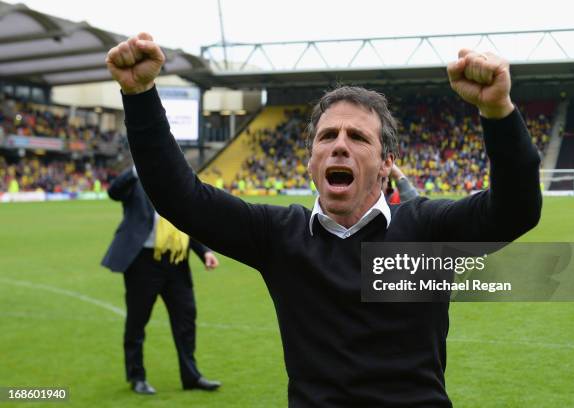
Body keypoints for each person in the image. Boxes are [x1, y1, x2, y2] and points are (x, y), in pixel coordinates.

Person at [106, 33, 541, 407]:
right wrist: (140, 96)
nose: (339, 145)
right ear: (311, 162)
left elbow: (515, 210)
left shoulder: (427, 231)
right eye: (327, 136)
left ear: (387, 163)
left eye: (358, 137)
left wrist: (498, 112)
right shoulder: (277, 236)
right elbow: (180, 198)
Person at [101, 166, 221, 395]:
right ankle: (137, 377)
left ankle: (191, 376)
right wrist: (136, 170)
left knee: (186, 318)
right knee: (137, 321)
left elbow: (188, 222)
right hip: (143, 262)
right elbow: (113, 192)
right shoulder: (136, 181)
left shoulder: (177, 184)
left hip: (176, 261)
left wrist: (204, 251)